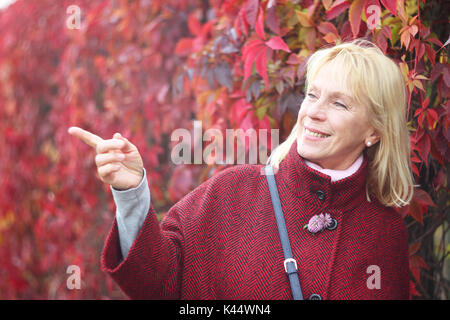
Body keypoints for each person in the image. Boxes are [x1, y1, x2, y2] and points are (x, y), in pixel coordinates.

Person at [68, 39, 415, 300]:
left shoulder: (385, 232)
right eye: (312, 95)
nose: (313, 112)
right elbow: (155, 284)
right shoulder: (231, 192)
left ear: (374, 131)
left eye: (338, 103)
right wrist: (132, 194)